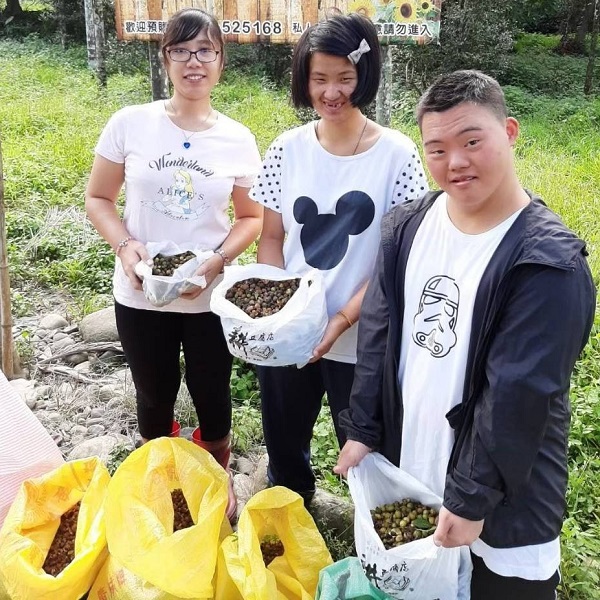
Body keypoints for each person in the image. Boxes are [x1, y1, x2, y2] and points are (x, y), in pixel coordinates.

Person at [334, 70, 596, 598]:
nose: (455, 162)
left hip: (504, 495)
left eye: (472, 141)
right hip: (414, 464)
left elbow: (519, 395)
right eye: (437, 149)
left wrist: (473, 495)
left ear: (511, 132)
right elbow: (378, 338)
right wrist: (362, 428)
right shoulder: (406, 228)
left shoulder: (548, 262)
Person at [85, 7, 263, 521]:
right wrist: (126, 247)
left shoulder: (237, 137)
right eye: (181, 50)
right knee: (153, 393)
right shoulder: (130, 123)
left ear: (220, 61)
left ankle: (215, 479)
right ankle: (161, 479)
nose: (193, 61)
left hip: (208, 295)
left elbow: (249, 218)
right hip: (140, 292)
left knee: (213, 392)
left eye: (205, 50)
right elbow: (98, 198)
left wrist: (217, 261)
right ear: (165, 58)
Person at [250, 13, 428, 503]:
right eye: (319, 79)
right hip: (289, 336)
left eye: (344, 79)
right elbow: (271, 236)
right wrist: (273, 308)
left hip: (362, 341)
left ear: (364, 77)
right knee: (284, 446)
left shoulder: (397, 154)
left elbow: (399, 260)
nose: (331, 93)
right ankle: (289, 518)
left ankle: (374, 544)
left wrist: (344, 317)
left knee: (370, 454)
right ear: (303, 79)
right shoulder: (287, 148)